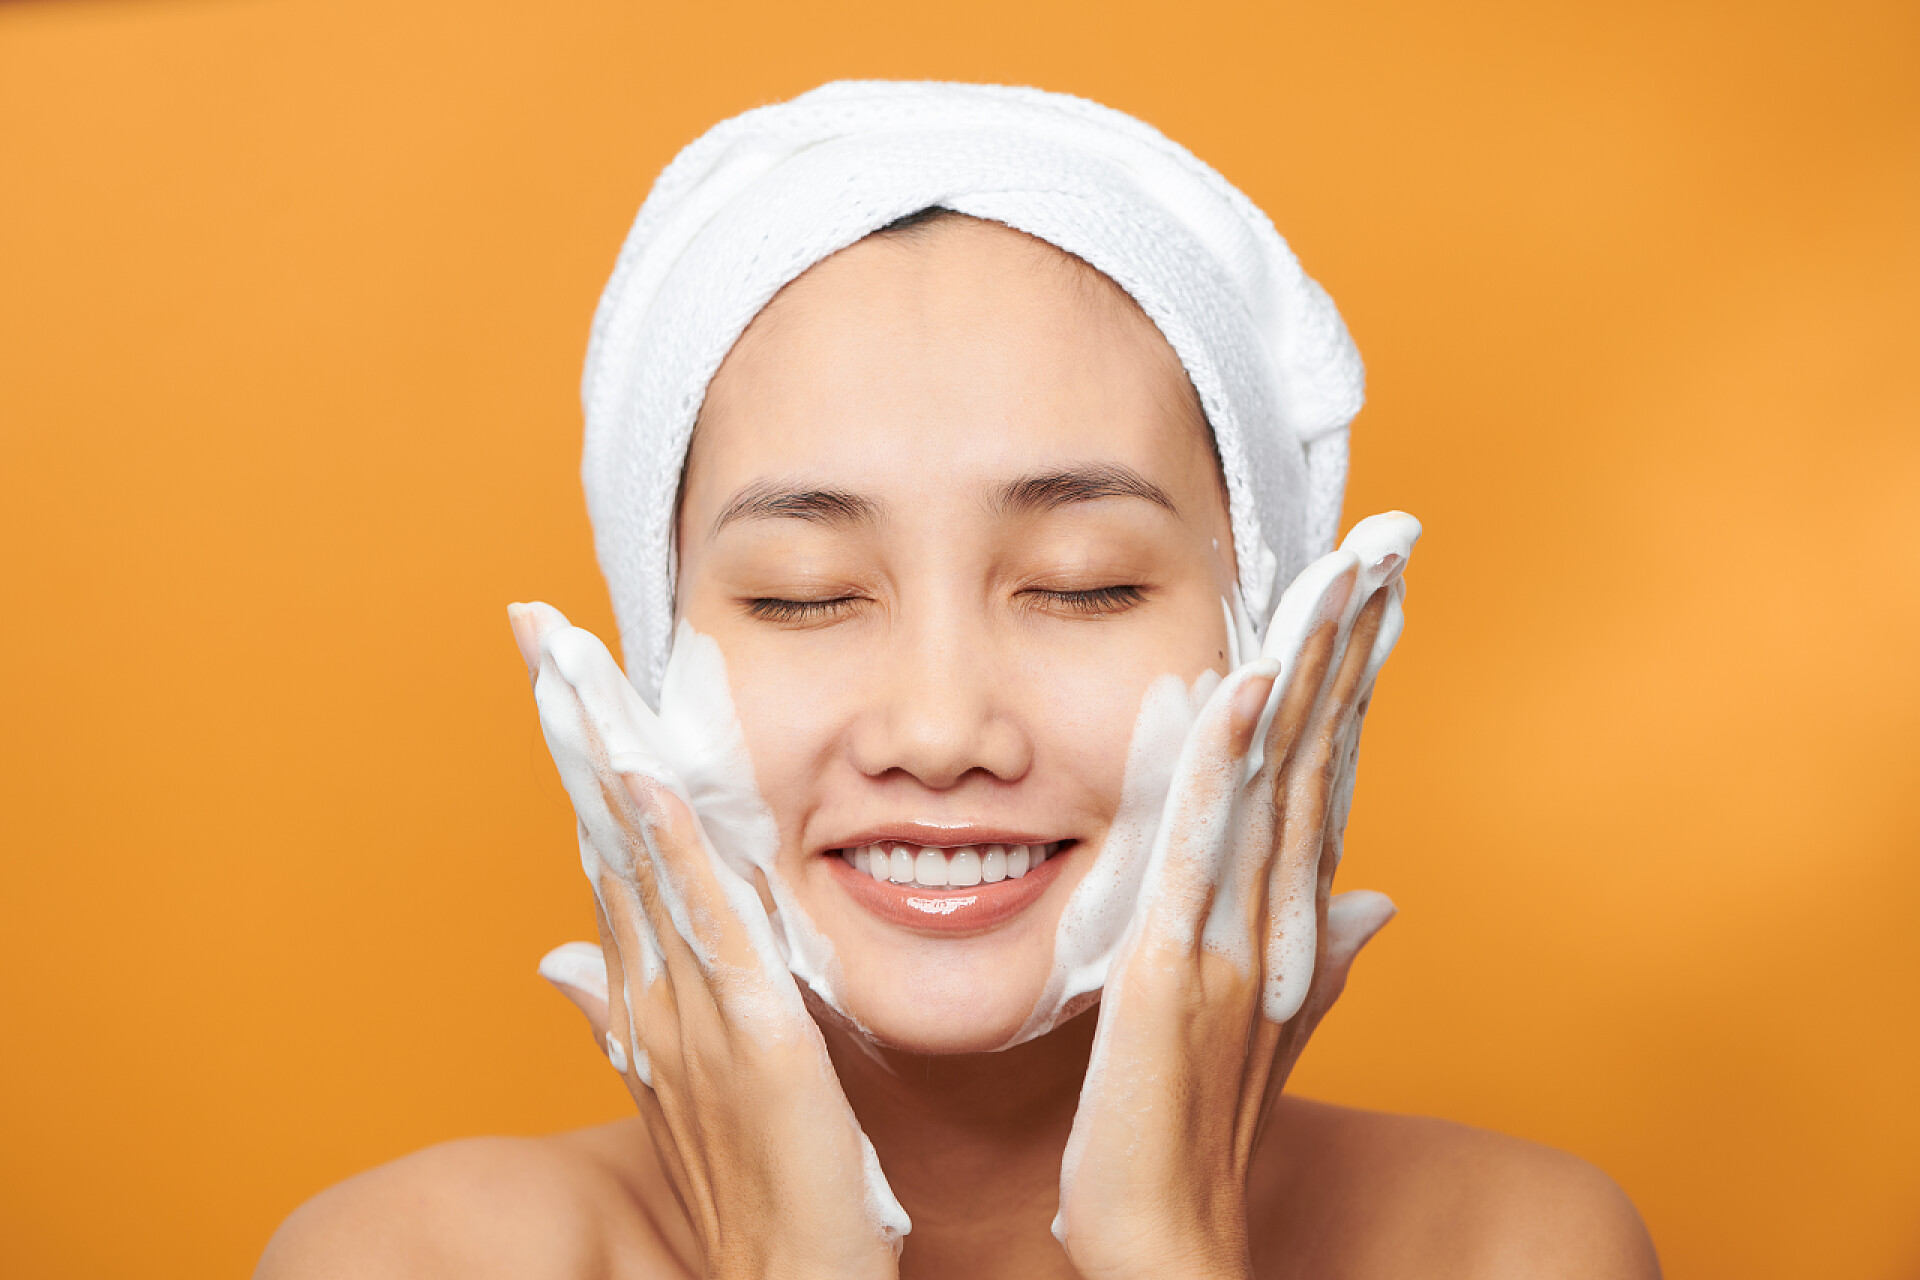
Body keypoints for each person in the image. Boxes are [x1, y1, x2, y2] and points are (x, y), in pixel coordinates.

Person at [257, 82, 1659, 1280]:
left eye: (1082, 582)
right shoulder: (413, 1260)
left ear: (1277, 653)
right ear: (644, 670)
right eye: (804, 597)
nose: (940, 731)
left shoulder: (1502, 1248)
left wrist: (1165, 1250)